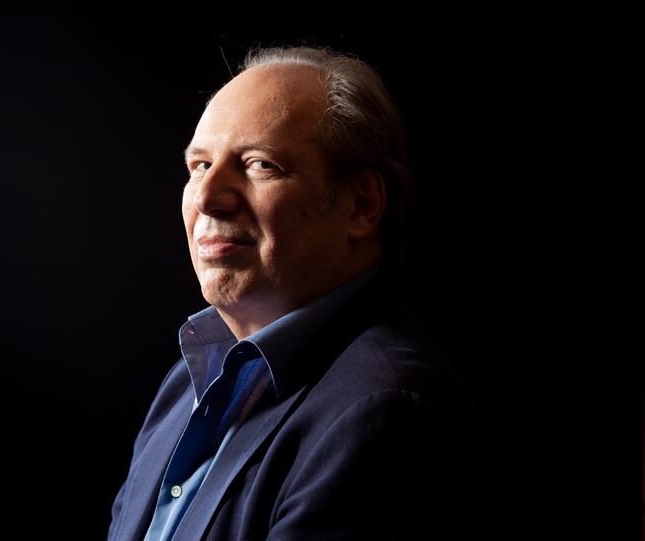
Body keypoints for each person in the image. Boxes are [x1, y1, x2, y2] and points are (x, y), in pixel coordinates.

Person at [107, 46, 479, 540]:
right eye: (199, 165)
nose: (207, 196)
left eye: (260, 165)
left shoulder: (383, 414)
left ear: (362, 205)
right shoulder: (188, 381)